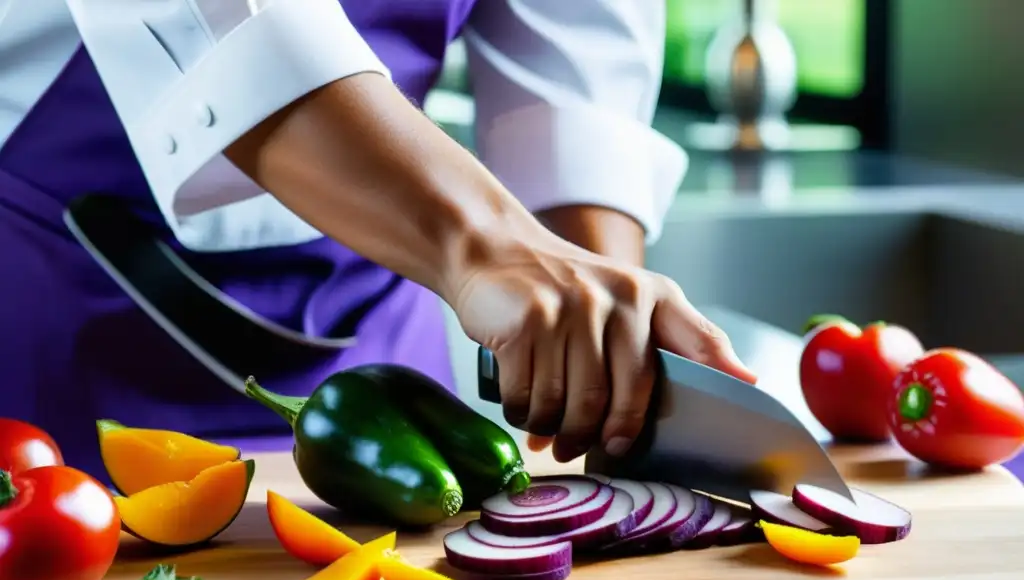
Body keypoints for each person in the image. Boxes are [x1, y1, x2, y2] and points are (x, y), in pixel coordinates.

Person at [0, 0, 755, 481]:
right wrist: (491, 248)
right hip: (51, 359)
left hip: (391, 369)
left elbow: (578, 57)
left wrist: (598, 340)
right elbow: (218, 25)